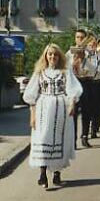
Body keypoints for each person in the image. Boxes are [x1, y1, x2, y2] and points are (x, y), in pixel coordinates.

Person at [23, 44, 83, 189]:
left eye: (55, 54)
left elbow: (73, 89)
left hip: (61, 107)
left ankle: (57, 173)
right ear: (45, 56)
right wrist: (32, 116)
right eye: (50, 54)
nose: (52, 57)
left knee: (59, 138)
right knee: (42, 137)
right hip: (43, 107)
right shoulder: (40, 72)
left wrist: (71, 104)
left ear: (59, 56)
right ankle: (42, 173)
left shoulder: (65, 71)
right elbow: (31, 94)